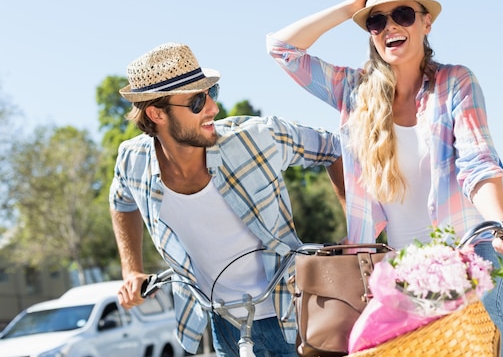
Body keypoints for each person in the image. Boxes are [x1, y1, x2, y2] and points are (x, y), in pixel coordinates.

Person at [267, 0, 503, 356]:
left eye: (403, 15)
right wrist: (349, 8)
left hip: (472, 249)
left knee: (483, 325)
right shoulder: (354, 91)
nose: (389, 26)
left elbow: (478, 161)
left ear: (427, 22)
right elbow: (281, 49)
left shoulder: (455, 83)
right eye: (377, 20)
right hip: (400, 266)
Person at [109, 42, 343, 357]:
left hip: (293, 314)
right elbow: (121, 200)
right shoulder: (132, 160)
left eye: (211, 93)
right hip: (222, 324)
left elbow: (335, 148)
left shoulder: (256, 138)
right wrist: (131, 270)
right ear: (155, 113)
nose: (213, 108)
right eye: (196, 101)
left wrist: (355, 236)